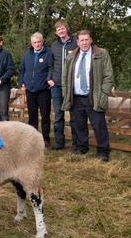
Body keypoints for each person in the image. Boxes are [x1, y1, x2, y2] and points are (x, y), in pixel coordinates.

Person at [61, 30, 113, 162]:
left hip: (94, 96)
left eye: (86, 39)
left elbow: (108, 76)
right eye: (81, 40)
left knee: (99, 125)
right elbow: (65, 78)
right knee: (79, 125)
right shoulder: (71, 56)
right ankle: (82, 148)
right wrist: (66, 93)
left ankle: (103, 151)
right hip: (76, 97)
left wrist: (104, 93)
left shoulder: (101, 54)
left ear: (90, 40)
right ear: (77, 42)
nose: (84, 42)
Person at [48, 19, 78, 150]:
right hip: (57, 85)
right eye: (58, 29)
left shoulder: (76, 42)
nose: (61, 31)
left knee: (74, 115)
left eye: (63, 28)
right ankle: (59, 143)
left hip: (72, 85)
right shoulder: (54, 46)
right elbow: (50, 64)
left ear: (67, 29)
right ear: (56, 32)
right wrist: (50, 78)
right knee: (58, 115)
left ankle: (77, 144)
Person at [19, 32, 52, 147]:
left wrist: (49, 80)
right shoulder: (27, 55)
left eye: (39, 42)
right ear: (32, 43)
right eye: (35, 42)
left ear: (42, 42)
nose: (37, 44)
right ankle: (33, 139)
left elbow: (51, 69)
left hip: (43, 90)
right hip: (30, 90)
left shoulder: (49, 53)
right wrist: (22, 81)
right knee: (32, 116)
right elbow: (21, 69)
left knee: (45, 116)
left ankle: (46, 139)